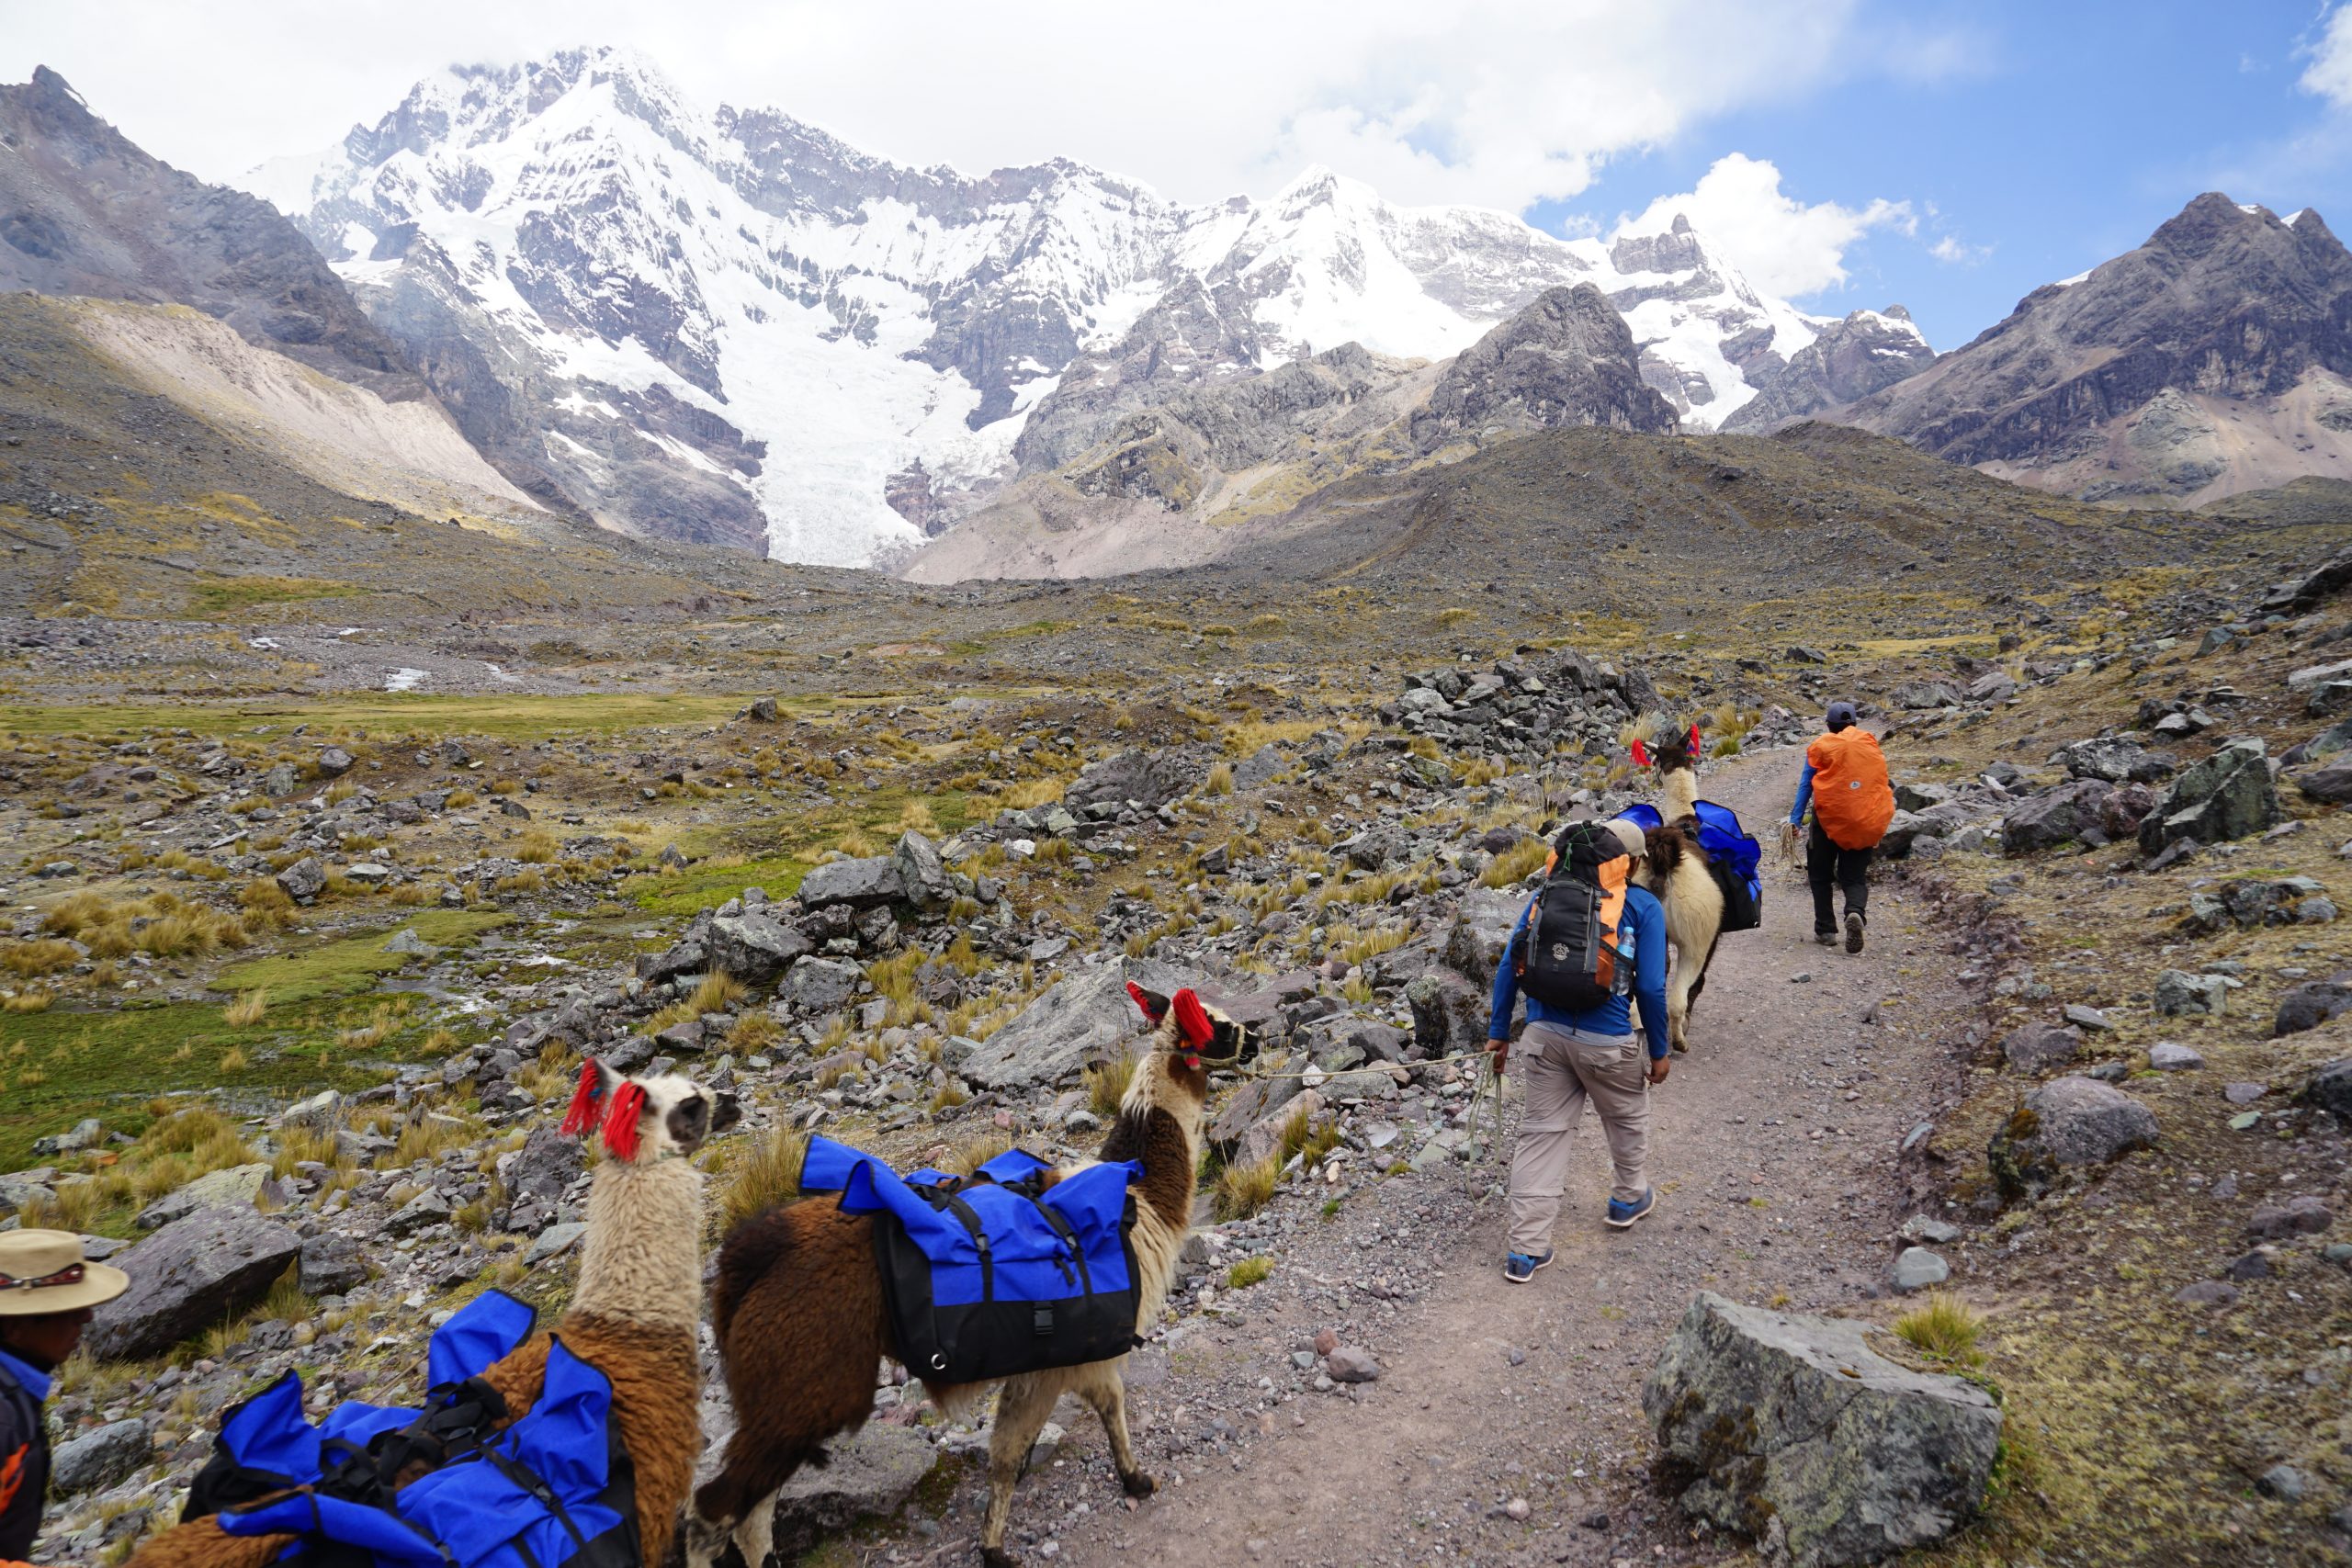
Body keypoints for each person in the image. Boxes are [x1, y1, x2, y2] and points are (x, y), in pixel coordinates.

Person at [1486, 818, 1671, 1283]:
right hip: (1608, 1043)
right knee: (1626, 1115)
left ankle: (1525, 1251)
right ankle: (1627, 1198)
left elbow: (1511, 963)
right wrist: (1661, 1049)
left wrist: (1498, 1033)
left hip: (1544, 1038)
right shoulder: (1643, 906)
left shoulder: (1542, 897)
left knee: (1542, 1136)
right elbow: (1650, 986)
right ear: (1626, 864)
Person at [0, 1229, 129, 1562]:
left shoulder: (15, 1397)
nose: (86, 1317)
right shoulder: (5, 1421)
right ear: (15, 1327)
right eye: (69, 1310)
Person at [1787, 701, 1894, 953]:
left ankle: (1826, 930)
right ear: (1854, 723)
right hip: (1864, 819)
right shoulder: (1869, 744)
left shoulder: (1821, 746)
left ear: (1828, 725)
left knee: (1820, 875)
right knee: (1854, 877)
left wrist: (1794, 820)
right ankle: (1855, 912)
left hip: (1827, 820)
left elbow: (1806, 784)